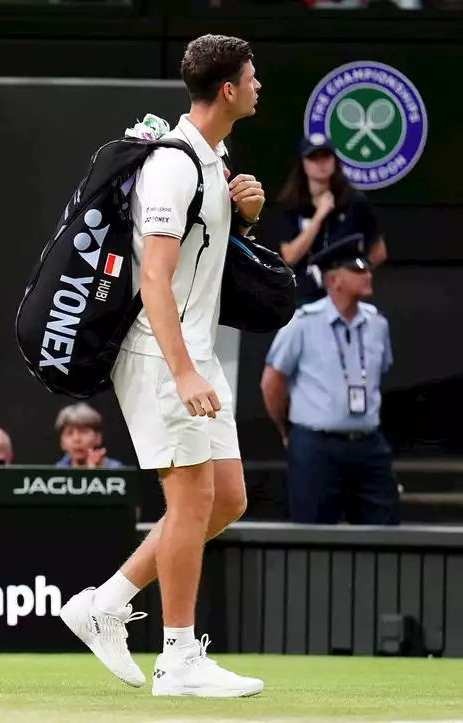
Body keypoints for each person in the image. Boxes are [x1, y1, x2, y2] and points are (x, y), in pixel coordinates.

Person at [58, 35, 264, 697]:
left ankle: (105, 601)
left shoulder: (215, 159)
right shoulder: (173, 167)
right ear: (227, 89)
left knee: (225, 498)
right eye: (252, 77)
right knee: (192, 498)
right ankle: (177, 657)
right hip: (159, 351)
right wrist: (182, 373)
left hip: (193, 352)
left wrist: (246, 216)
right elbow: (153, 276)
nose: (259, 86)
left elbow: (205, 259)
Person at [260, 245, 397, 525]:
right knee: (312, 534)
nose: (367, 274)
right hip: (316, 445)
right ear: (334, 280)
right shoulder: (302, 323)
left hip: (368, 444)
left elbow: (379, 376)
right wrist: (287, 430)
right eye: (358, 270)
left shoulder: (377, 324)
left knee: (385, 534)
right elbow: (271, 383)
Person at [271, 134, 387, 306]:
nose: (321, 163)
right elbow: (290, 256)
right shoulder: (291, 205)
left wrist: (355, 274)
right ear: (303, 163)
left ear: (334, 160)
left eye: (326, 156)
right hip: (304, 298)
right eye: (313, 158)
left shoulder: (355, 202)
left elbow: (379, 251)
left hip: (344, 297)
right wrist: (320, 215)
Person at [52, 403, 125, 469]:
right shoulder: (54, 473)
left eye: (83, 432)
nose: (76, 439)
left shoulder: (118, 471)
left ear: (97, 438)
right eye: (69, 433)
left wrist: (98, 472)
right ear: (61, 442)